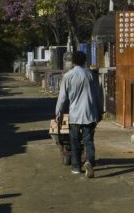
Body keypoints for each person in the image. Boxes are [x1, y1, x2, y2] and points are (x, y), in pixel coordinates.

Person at [55, 50, 103, 178]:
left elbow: (62, 97)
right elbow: (98, 95)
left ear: (73, 62)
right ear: (84, 61)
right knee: (89, 141)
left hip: (75, 115)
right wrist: (99, 111)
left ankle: (76, 167)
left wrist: (58, 113)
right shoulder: (91, 75)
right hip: (90, 113)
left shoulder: (68, 76)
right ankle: (89, 162)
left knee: (74, 142)